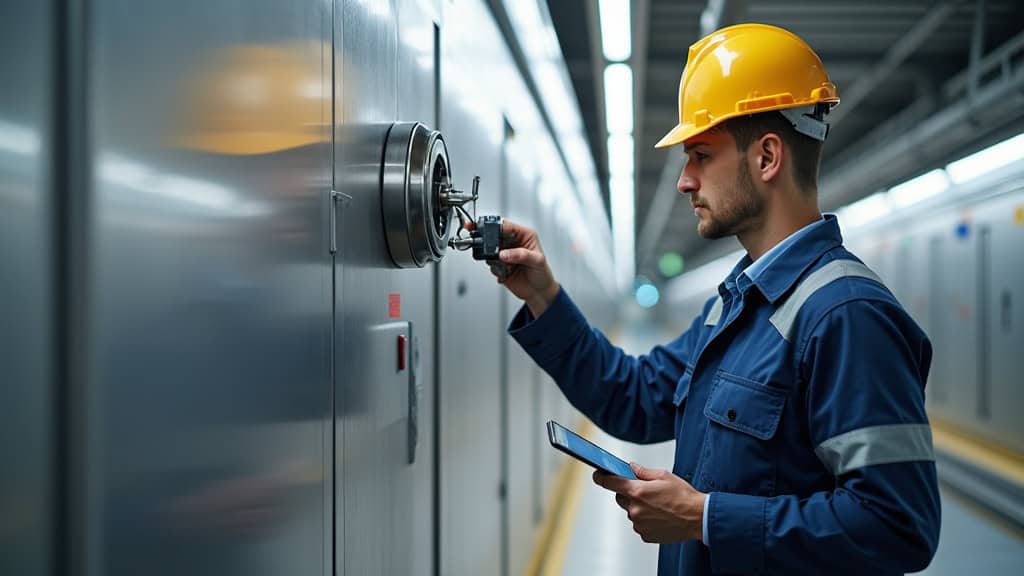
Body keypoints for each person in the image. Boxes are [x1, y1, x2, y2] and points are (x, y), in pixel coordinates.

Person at [492, 23, 940, 575]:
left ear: (767, 157)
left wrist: (704, 519)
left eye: (700, 154)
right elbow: (633, 397)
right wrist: (543, 295)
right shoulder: (733, 304)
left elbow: (898, 526)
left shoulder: (846, 314)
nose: (684, 181)